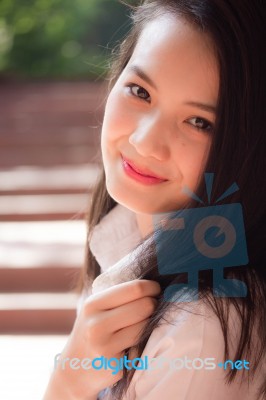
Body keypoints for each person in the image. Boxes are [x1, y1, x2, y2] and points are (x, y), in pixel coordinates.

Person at [43, 0, 266, 399]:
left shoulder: (201, 329)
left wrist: (68, 383)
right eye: (140, 91)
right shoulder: (125, 243)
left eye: (199, 122)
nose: (145, 141)